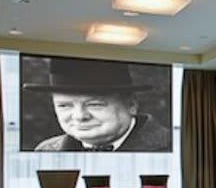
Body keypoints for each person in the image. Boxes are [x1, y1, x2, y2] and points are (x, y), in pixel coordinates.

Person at [24, 57, 171, 151]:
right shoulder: (46, 150)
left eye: (94, 104)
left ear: (131, 105)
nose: (80, 116)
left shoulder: (174, 146)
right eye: (64, 105)